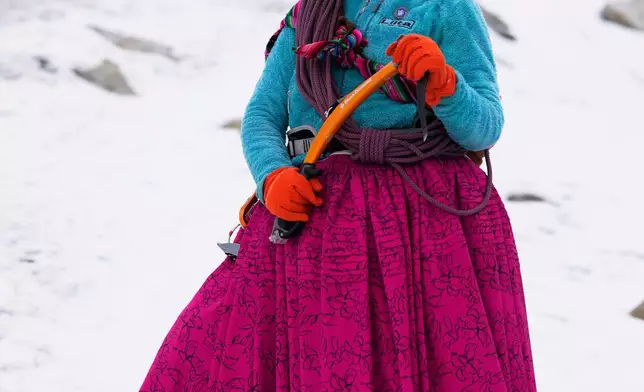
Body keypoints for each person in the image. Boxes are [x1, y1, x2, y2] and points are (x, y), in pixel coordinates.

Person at [140, 0, 537, 390]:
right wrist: (273, 176)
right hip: (311, 220)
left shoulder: (446, 9)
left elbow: (484, 128)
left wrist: (446, 85)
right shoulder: (309, 13)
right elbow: (263, 114)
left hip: (421, 229)